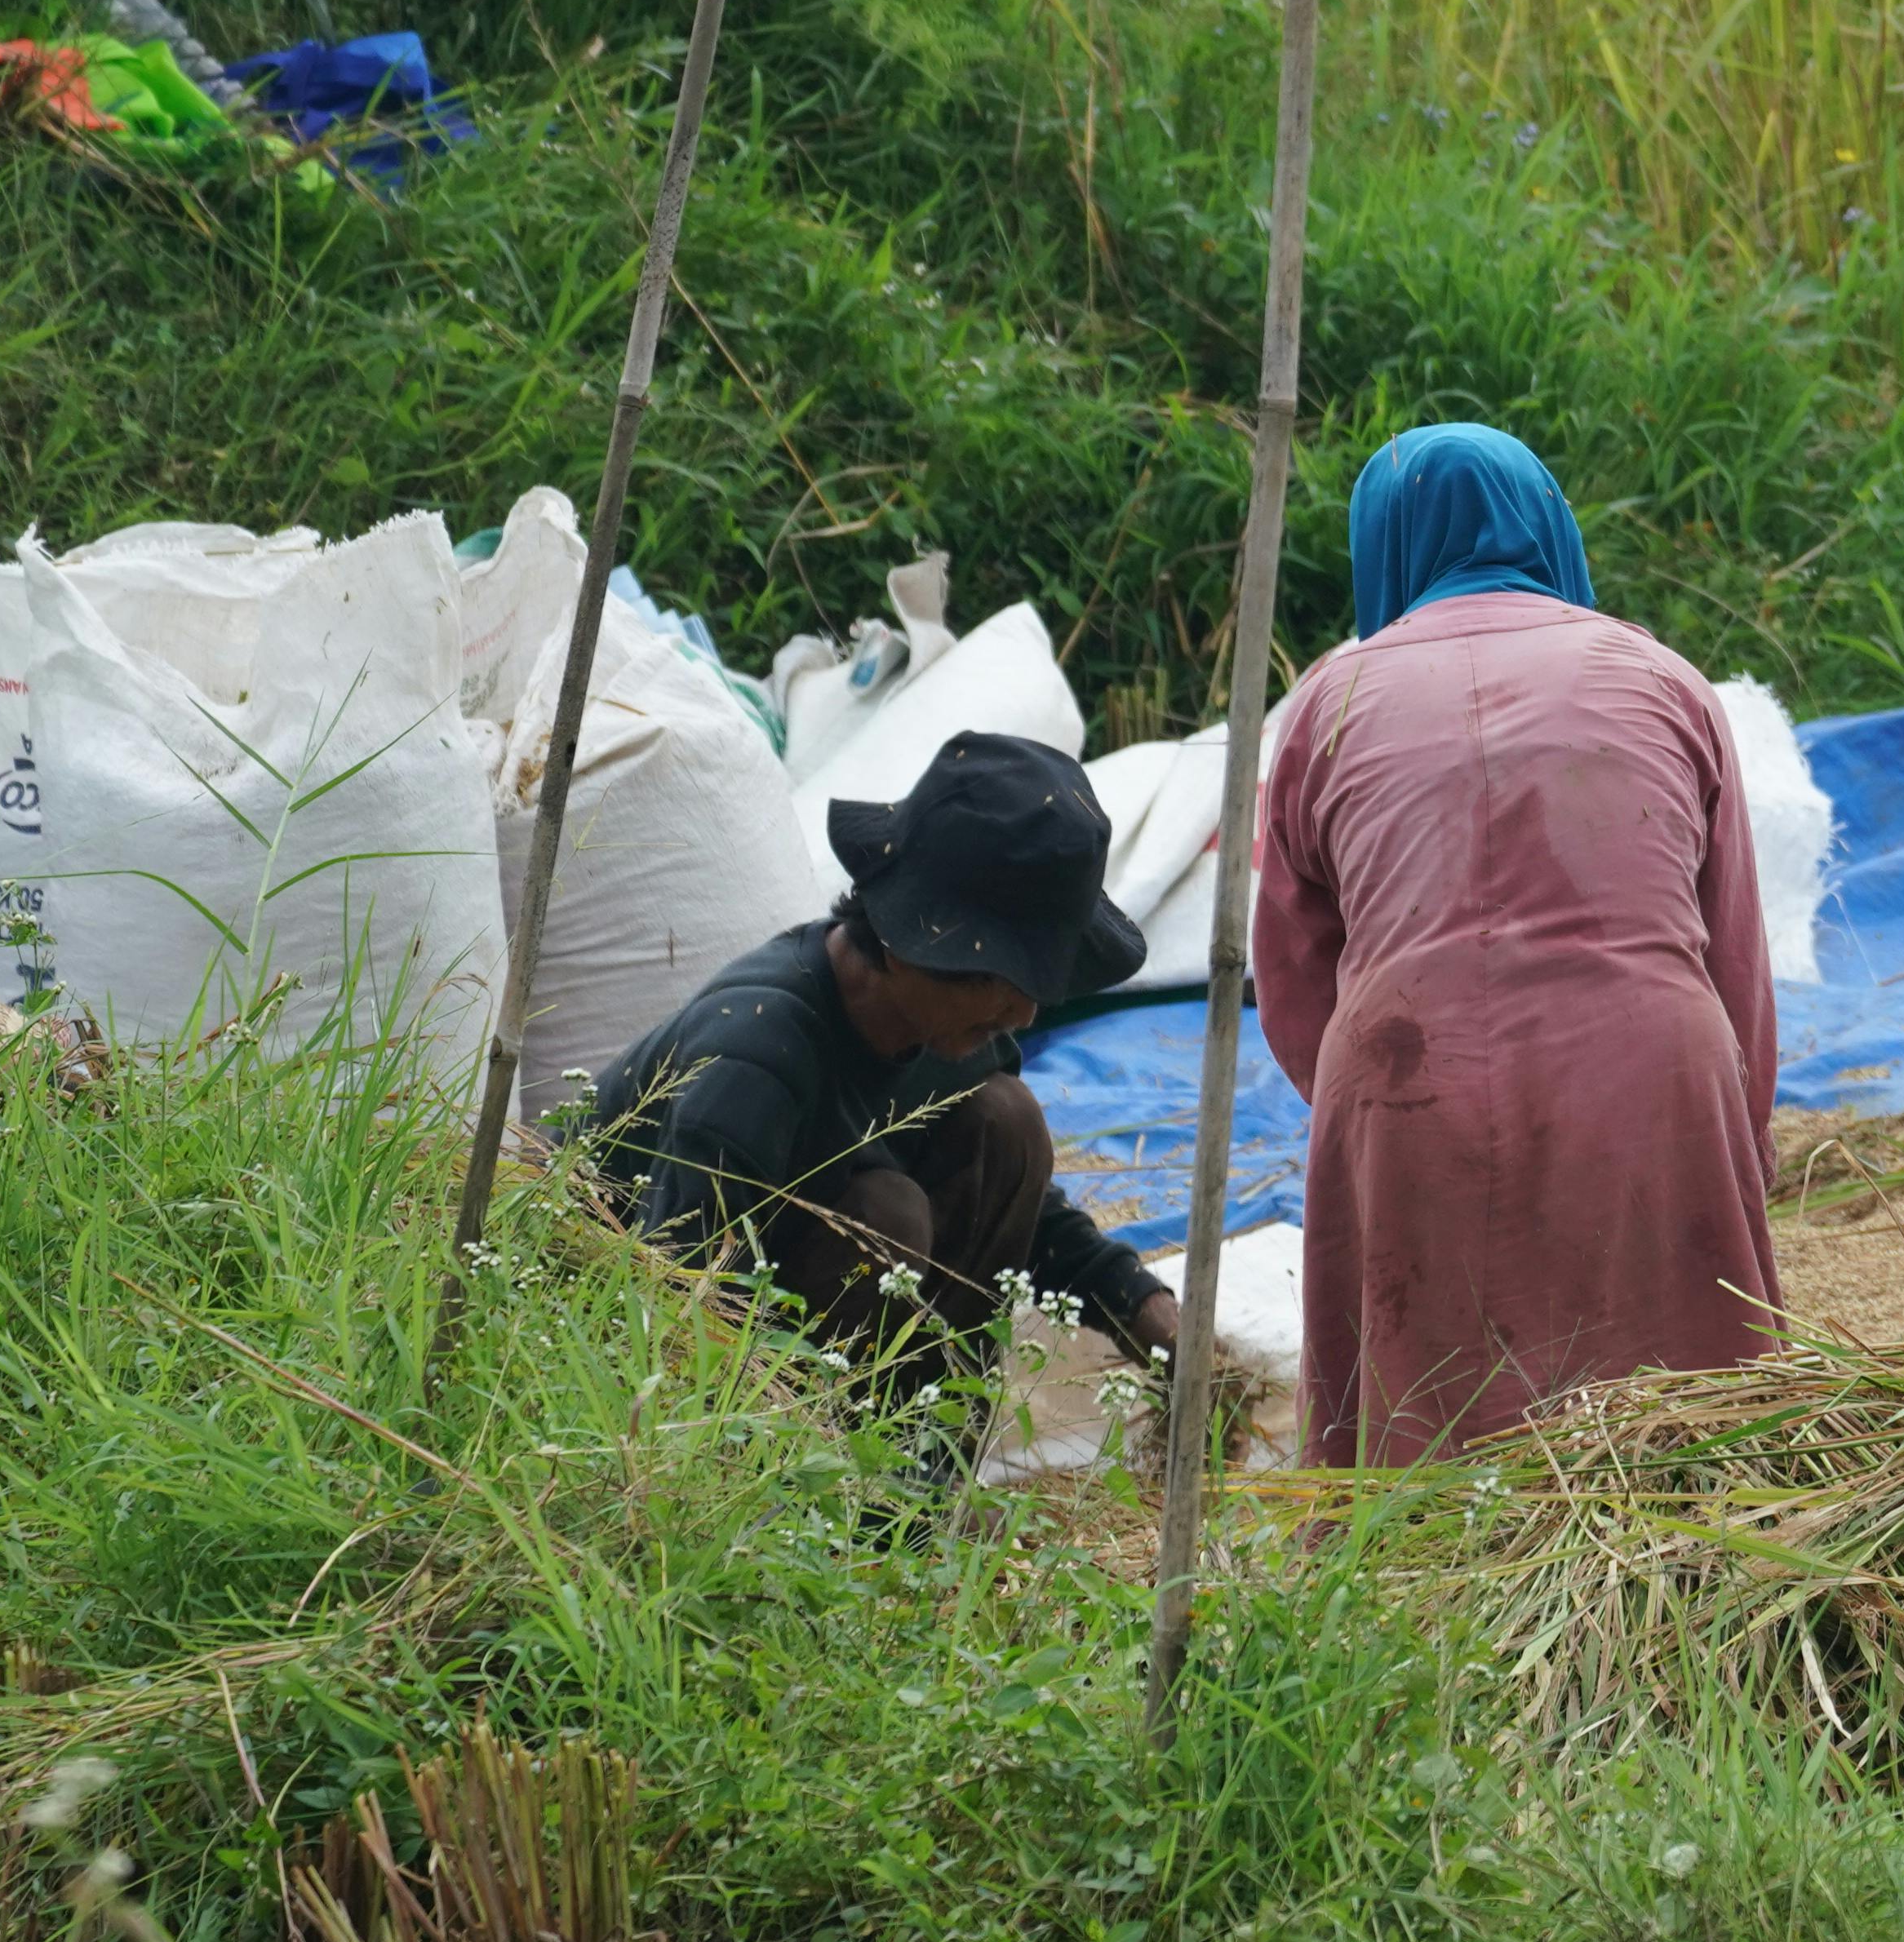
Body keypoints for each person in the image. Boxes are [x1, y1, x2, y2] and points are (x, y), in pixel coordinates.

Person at [1254, 422, 1784, 1459]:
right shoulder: (1663, 678)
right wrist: (1739, 1130)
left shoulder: (1328, 702)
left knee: (1427, 1451)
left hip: (1408, 1071)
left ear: (1382, 547)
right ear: (1550, 526)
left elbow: (1293, 979)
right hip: (1657, 1066)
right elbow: (1733, 956)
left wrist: (1375, 1115)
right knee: (1698, 1453)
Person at [573, 734, 1174, 1452]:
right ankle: (821, 1493)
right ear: (900, 940)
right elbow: (671, 1303)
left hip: (809, 1323)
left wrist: (1147, 1312)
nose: (1022, 1016)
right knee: (887, 1220)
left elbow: (1018, 1212)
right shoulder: (756, 1055)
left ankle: (915, 1485)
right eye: (994, 979)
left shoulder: (959, 1036)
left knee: (1009, 1124)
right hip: (641, 1344)